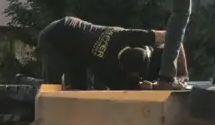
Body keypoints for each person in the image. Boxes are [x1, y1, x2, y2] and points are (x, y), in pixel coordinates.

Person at [37, 16, 185, 90]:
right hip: (53, 38)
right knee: (52, 91)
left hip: (73, 34)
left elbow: (173, 37)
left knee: (79, 92)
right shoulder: (106, 70)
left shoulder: (126, 36)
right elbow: (136, 90)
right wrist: (152, 86)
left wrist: (182, 74)